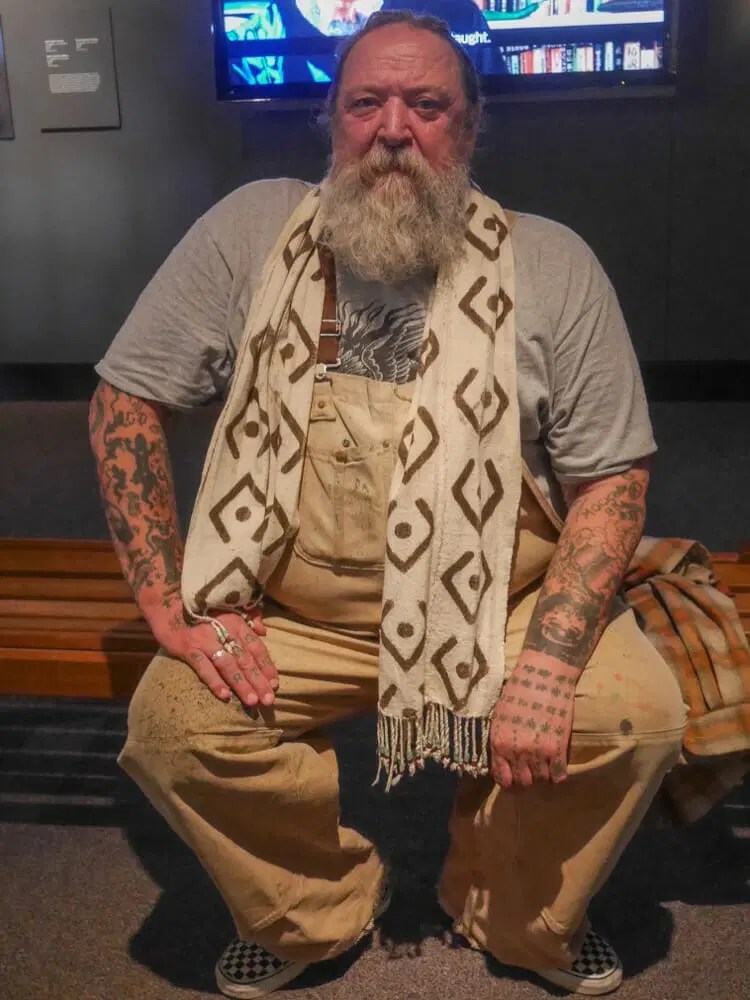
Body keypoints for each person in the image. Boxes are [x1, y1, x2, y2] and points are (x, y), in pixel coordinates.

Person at [89, 11, 686, 998]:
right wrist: (165, 599)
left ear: (471, 125)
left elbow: (612, 478)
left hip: (498, 605)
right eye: (367, 102)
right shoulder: (250, 233)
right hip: (292, 616)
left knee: (633, 716)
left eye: (427, 105)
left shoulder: (551, 264)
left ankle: (510, 909)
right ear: (331, 120)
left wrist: (549, 660)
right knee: (174, 728)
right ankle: (316, 909)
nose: (393, 130)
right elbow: (125, 402)